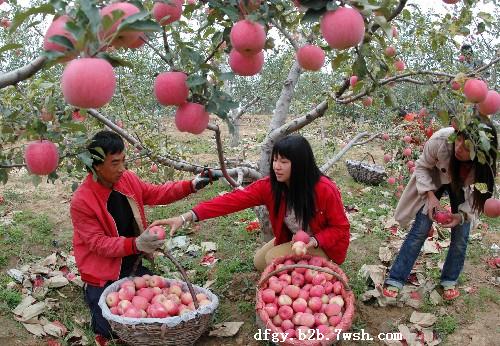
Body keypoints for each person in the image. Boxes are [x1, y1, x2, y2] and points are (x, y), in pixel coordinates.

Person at [70, 130, 216, 345]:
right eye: (115, 163)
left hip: (131, 261)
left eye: (123, 161)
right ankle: (91, 291)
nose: (122, 168)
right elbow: (99, 244)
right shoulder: (82, 201)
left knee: (150, 310)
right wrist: (136, 243)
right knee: (107, 328)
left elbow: (156, 193)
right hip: (103, 270)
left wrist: (190, 185)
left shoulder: (126, 179)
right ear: (97, 166)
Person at [149, 135, 350, 271]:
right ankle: (302, 267)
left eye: (284, 162)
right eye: (275, 160)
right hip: (296, 239)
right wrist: (186, 217)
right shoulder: (272, 187)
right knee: (260, 262)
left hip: (323, 243)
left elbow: (341, 229)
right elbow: (231, 201)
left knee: (275, 260)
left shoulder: (324, 189)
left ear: (300, 164)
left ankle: (319, 271)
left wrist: (312, 242)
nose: (276, 167)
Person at [383, 115, 498, 301]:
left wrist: (461, 216)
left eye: (468, 147)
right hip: (435, 177)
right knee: (421, 227)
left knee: (461, 233)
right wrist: (430, 195)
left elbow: (479, 197)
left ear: (480, 152)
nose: (459, 147)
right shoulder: (441, 140)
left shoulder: (485, 167)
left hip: (463, 187)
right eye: (459, 139)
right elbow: (421, 167)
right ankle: (396, 278)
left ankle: (449, 279)